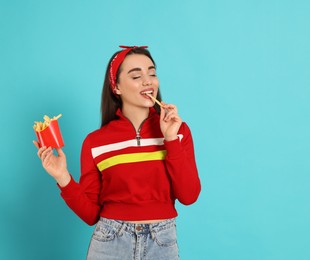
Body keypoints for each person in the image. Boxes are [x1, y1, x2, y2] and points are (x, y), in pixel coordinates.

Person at [33, 45, 201, 259]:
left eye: (152, 73)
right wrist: (63, 177)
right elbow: (91, 214)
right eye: (136, 76)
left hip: (162, 242)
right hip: (109, 243)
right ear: (117, 87)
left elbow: (189, 196)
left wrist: (170, 140)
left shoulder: (178, 132)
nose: (148, 81)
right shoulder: (96, 142)